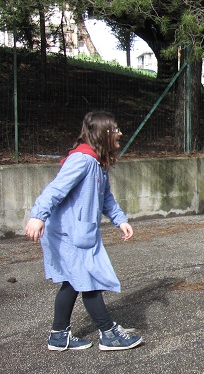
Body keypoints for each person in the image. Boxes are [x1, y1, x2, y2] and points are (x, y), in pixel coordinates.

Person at [25, 111, 144, 351]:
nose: (119, 133)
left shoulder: (99, 163)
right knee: (89, 280)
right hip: (68, 234)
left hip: (80, 232)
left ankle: (58, 336)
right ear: (102, 133)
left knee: (71, 282)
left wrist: (120, 220)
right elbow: (55, 190)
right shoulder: (82, 160)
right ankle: (108, 334)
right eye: (114, 129)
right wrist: (38, 216)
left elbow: (106, 198)